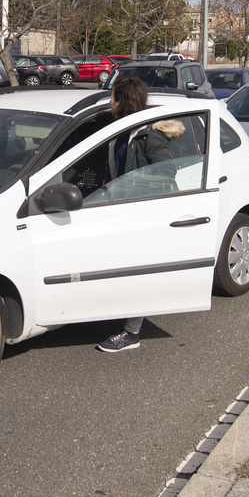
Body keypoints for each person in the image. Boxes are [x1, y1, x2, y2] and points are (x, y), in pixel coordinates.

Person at [96, 77, 183, 354]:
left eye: (113, 97)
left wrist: (134, 193)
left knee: (137, 271)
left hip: (143, 212)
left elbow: (167, 170)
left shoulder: (149, 135)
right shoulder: (124, 131)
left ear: (123, 100)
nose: (110, 102)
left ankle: (131, 333)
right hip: (120, 209)